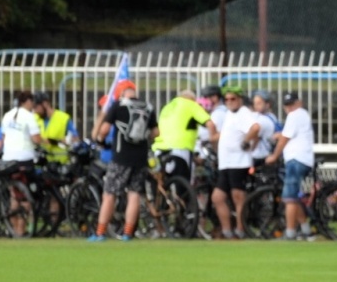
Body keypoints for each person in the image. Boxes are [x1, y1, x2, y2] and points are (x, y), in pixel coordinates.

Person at [89, 80, 154, 242]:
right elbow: (156, 132)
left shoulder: (118, 106)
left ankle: (100, 232)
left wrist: (101, 139)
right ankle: (127, 233)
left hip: (120, 157)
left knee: (110, 194)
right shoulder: (147, 107)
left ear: (120, 93)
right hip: (140, 158)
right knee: (134, 195)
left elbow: (104, 130)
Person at [212, 86, 261, 239]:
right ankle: (227, 230)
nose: (229, 102)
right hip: (226, 163)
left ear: (240, 99)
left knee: (238, 197)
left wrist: (246, 141)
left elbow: (255, 128)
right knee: (217, 197)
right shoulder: (230, 114)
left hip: (238, 162)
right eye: (226, 99)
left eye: (232, 99)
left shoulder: (243, 113)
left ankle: (240, 230)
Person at [268, 92, 316, 241]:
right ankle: (306, 230)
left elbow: (285, 138)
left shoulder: (294, 115)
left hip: (296, 159)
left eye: (291, 104)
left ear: (298, 103)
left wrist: (274, 156)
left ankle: (290, 232)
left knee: (288, 198)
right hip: (303, 159)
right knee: (294, 197)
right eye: (287, 105)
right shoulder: (302, 114)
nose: (289, 108)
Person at [154, 88, 213, 181]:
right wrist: (215, 136)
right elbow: (209, 123)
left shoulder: (167, 107)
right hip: (180, 149)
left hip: (160, 148)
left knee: (165, 179)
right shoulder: (190, 105)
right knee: (183, 183)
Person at [32, 90, 80, 168]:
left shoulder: (63, 118)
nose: (35, 110)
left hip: (60, 164)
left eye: (36, 107)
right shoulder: (33, 119)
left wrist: (64, 140)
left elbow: (76, 139)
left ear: (45, 104)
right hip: (40, 164)